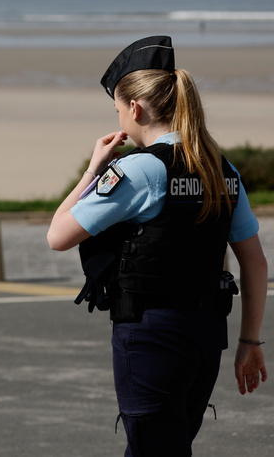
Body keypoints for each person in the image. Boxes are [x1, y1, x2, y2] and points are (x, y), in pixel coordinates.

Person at [47, 36, 268, 456]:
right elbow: (255, 262)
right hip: (206, 335)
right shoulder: (221, 167)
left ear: (135, 107)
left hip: (152, 335)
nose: (120, 119)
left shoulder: (141, 170)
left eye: (117, 109)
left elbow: (57, 235)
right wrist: (250, 342)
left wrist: (94, 170)